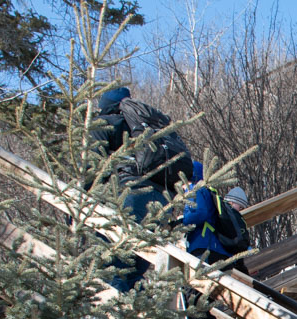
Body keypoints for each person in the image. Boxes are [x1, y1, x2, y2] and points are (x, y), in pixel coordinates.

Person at [90, 85, 168, 292]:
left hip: (128, 194)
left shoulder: (103, 124)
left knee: (110, 265)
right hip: (161, 199)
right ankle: (145, 318)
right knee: (134, 270)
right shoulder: (146, 127)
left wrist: (81, 201)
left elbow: (95, 167)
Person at [182, 161, 250, 274]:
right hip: (217, 249)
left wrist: (180, 223)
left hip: (203, 246)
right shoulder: (208, 192)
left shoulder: (196, 189)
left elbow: (200, 213)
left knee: (198, 285)